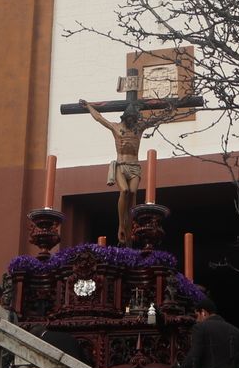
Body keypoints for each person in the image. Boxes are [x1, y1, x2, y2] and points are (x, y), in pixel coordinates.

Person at [80, 84, 191, 246]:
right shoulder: (116, 128)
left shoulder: (139, 129)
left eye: (134, 119)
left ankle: (128, 227)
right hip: (120, 166)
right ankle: (121, 225)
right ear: (125, 118)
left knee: (132, 193)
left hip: (134, 168)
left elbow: (156, 120)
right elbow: (99, 118)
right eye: (130, 118)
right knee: (124, 191)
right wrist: (89, 106)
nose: (132, 121)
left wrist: (171, 108)